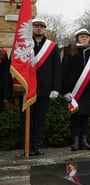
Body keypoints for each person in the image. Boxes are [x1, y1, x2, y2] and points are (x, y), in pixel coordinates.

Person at [19, 18, 61, 155]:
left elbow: (57, 69)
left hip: (44, 88)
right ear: (32, 28)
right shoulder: (24, 44)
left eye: (41, 27)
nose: (39, 29)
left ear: (45, 30)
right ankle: (27, 146)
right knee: (26, 119)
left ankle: (36, 146)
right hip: (27, 89)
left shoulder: (52, 46)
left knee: (39, 120)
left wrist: (55, 88)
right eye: (36, 26)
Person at [62, 28, 90, 150]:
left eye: (86, 37)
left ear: (89, 38)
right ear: (77, 38)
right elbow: (64, 71)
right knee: (75, 115)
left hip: (89, 89)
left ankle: (84, 140)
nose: (84, 38)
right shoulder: (70, 51)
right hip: (74, 90)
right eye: (82, 37)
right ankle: (75, 141)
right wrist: (65, 90)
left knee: (85, 116)